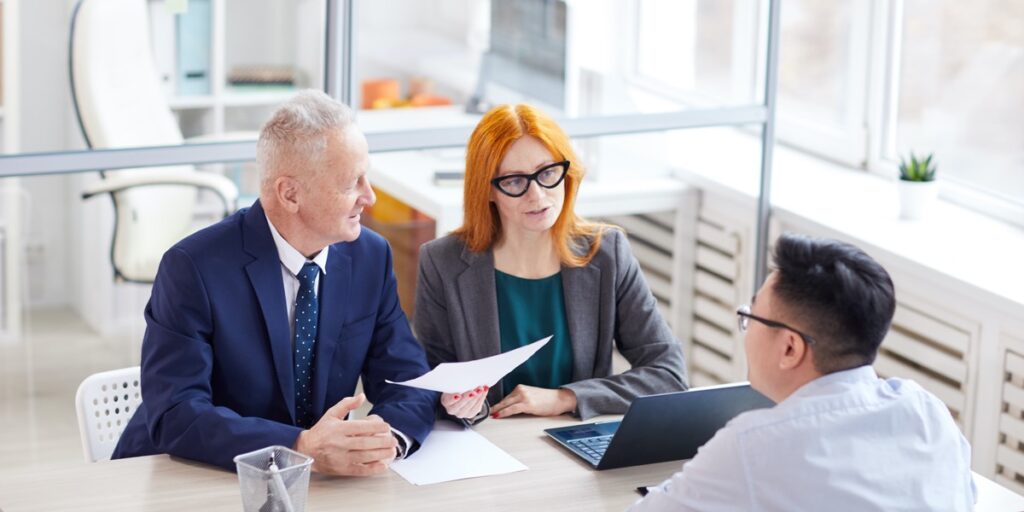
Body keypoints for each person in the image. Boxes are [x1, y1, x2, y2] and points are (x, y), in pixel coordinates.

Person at [112, 90, 437, 476]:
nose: (369, 196)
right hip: (190, 474)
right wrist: (298, 446)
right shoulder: (192, 268)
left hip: (310, 486)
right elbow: (177, 414)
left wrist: (386, 441)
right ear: (290, 194)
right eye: (352, 183)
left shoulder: (370, 256)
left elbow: (409, 378)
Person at [629, 233, 976, 511]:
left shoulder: (754, 445)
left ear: (790, 348)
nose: (746, 329)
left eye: (751, 317)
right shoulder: (928, 411)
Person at [414, 104, 688, 423]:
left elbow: (668, 373)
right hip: (488, 440)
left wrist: (566, 397)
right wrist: (452, 402)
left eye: (547, 174)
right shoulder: (443, 262)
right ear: (488, 190)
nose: (538, 195)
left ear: (566, 173)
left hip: (575, 435)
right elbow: (425, 382)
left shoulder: (607, 253)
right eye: (515, 181)